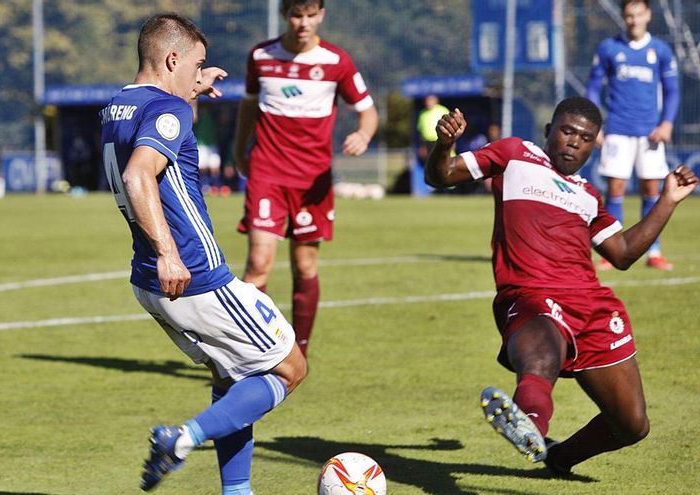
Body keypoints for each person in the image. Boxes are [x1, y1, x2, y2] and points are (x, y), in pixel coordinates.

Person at [425, 97, 697, 475]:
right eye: (567, 131)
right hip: (530, 295)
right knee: (543, 354)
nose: (573, 142)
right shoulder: (513, 154)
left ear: (594, 144)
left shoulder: (589, 196)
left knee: (632, 424)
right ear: (549, 130)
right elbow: (441, 175)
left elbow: (622, 254)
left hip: (593, 305)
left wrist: (667, 201)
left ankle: (557, 458)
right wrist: (444, 145)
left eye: (585, 138)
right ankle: (530, 424)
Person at [99, 13, 307, 494]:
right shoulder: (168, 113)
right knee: (290, 368)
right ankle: (183, 439)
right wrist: (169, 252)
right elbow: (138, 175)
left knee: (234, 377)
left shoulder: (118, 107)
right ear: (172, 59)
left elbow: (157, 111)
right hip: (195, 275)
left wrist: (193, 84)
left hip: (148, 283)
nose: (201, 73)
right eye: (197, 63)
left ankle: (237, 491)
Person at [233, 0, 378, 356]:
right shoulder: (261, 57)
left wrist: (363, 134)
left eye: (311, 15)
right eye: (297, 15)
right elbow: (249, 106)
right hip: (267, 171)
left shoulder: (336, 62)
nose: (303, 23)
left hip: (313, 180)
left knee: (304, 264)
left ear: (322, 15)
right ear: (285, 15)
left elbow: (368, 112)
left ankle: (299, 350)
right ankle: (257, 352)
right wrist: (239, 150)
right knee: (257, 264)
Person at [587, 0, 680, 271]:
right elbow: (593, 87)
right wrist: (597, 125)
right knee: (615, 189)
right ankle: (609, 251)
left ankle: (654, 252)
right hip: (617, 130)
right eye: (629, 15)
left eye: (638, 14)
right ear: (623, 17)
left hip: (650, 133)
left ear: (648, 15)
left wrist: (667, 124)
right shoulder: (608, 49)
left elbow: (673, 91)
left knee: (652, 190)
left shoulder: (660, 51)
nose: (634, 20)